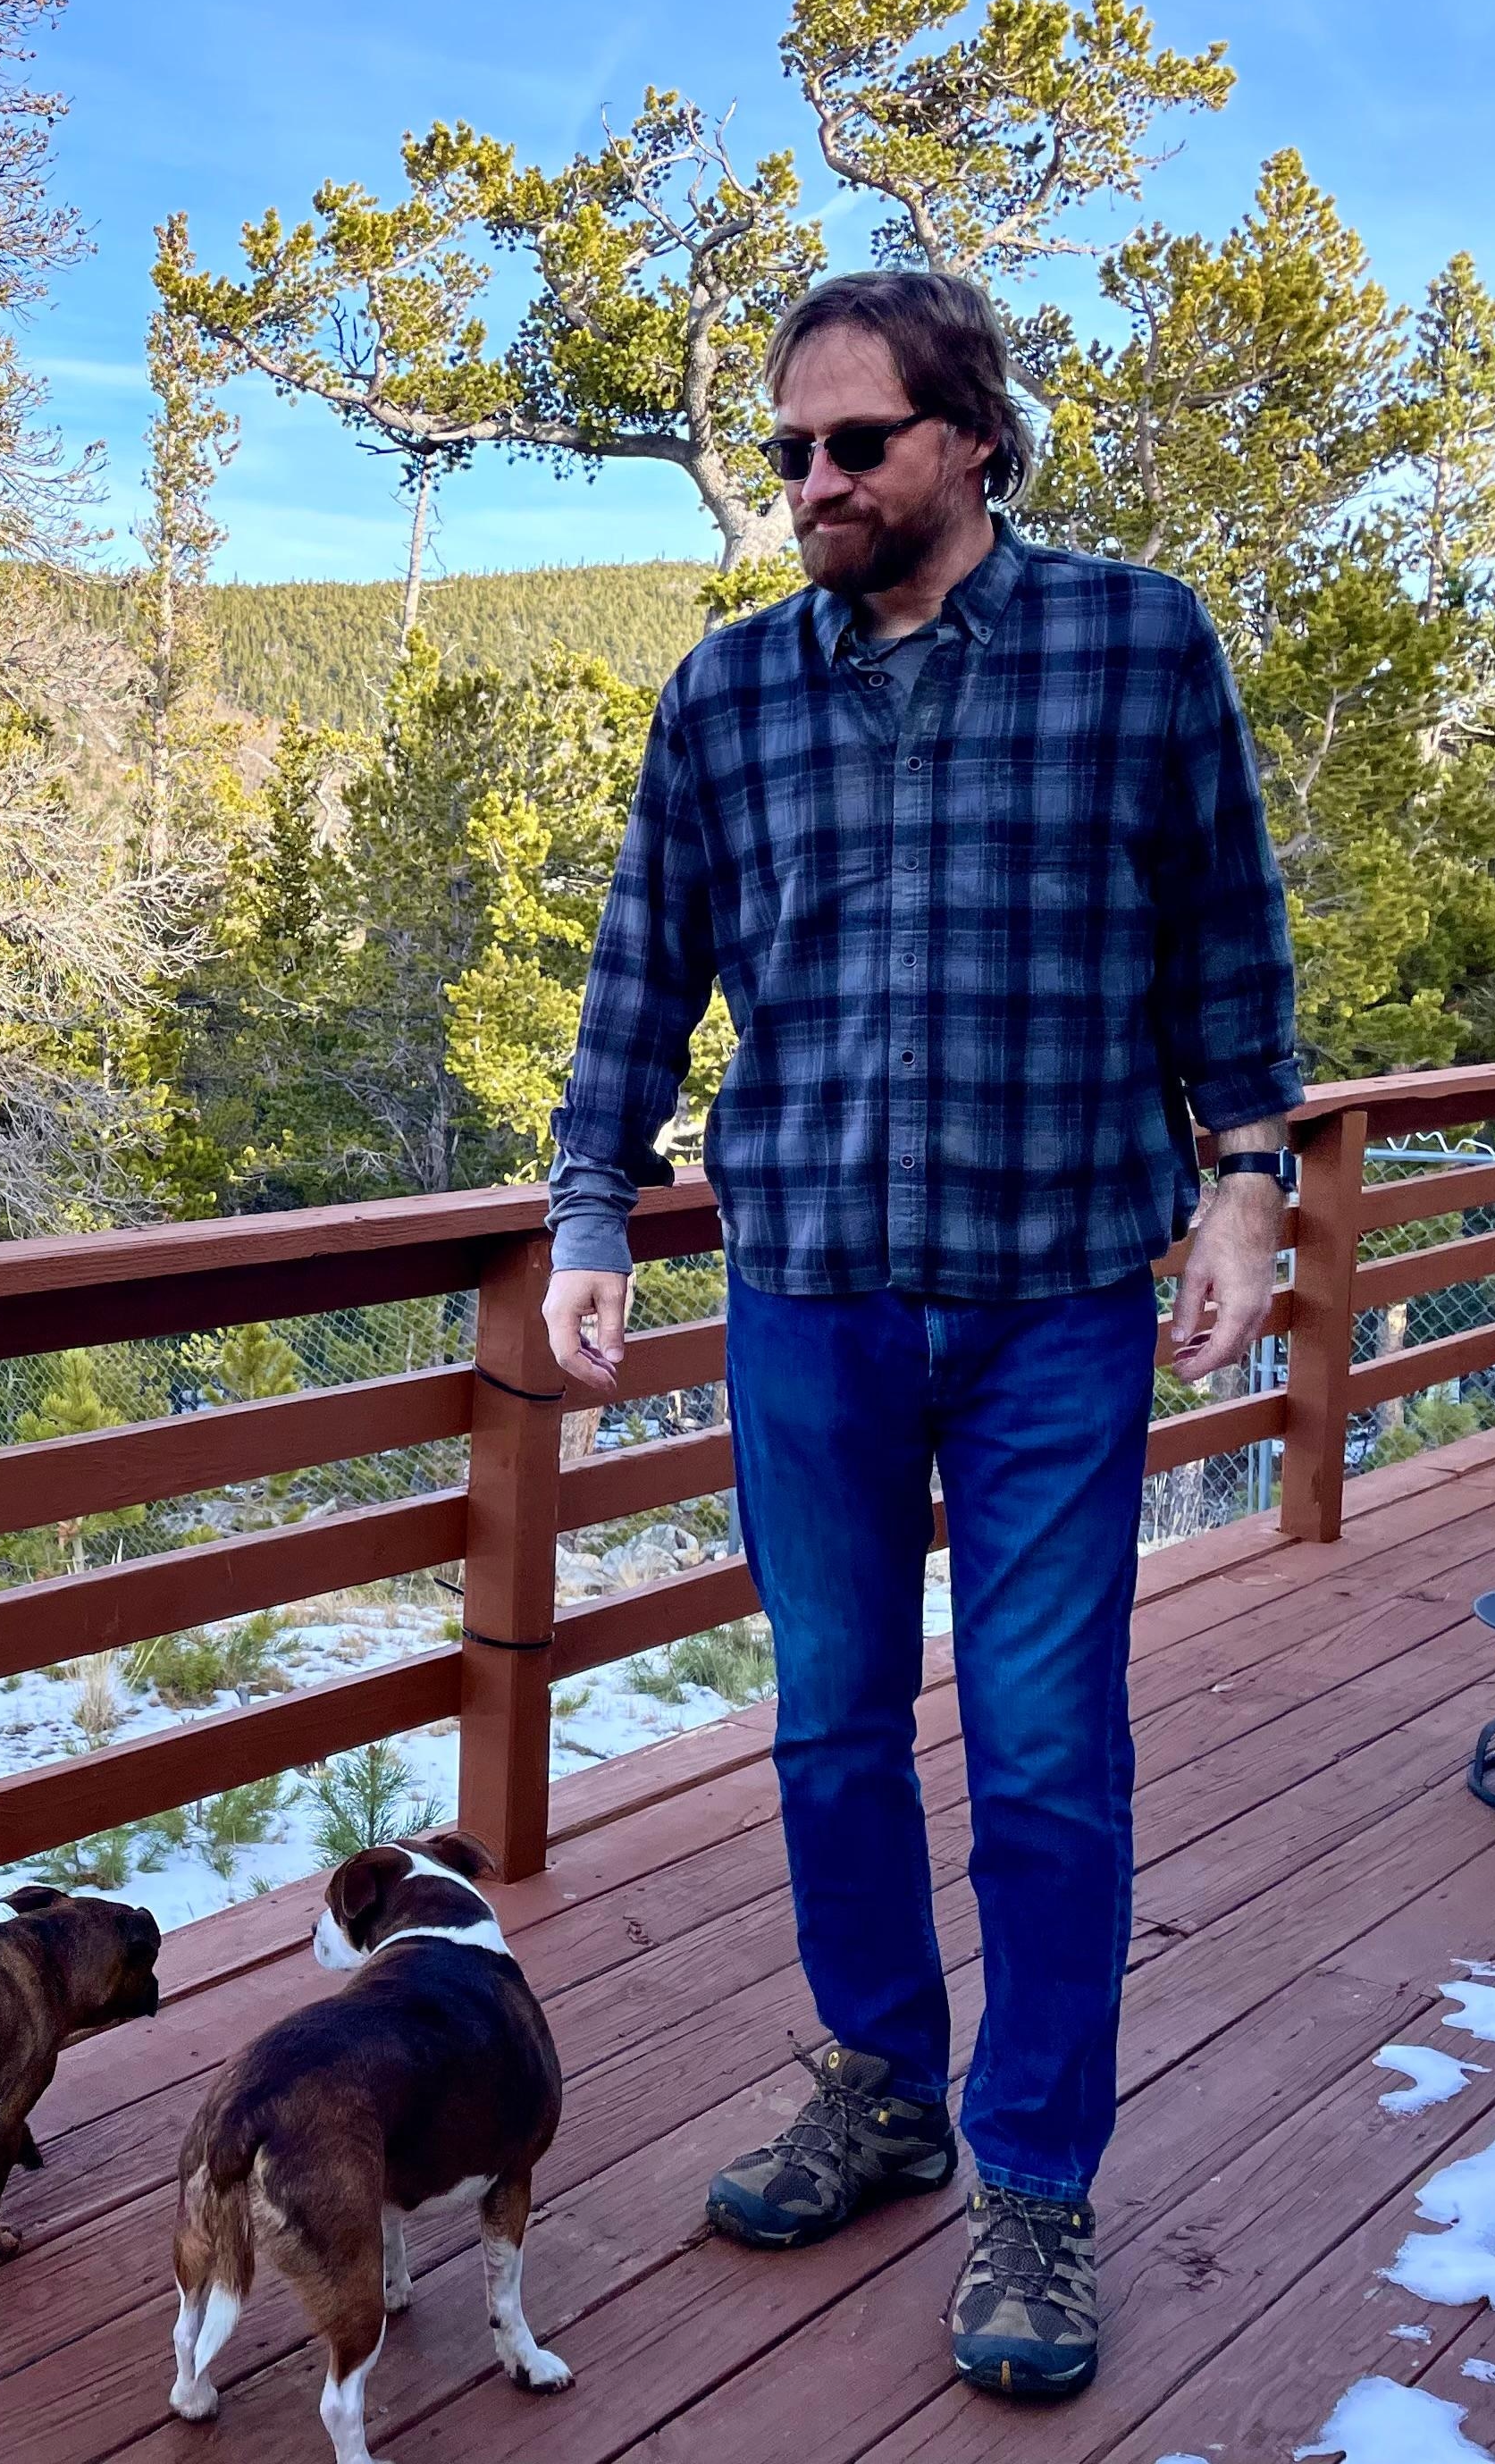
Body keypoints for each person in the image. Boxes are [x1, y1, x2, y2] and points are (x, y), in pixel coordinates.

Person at [539, 268, 1298, 2401]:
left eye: (853, 443)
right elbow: (638, 974)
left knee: (1049, 1750)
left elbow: (1227, 940)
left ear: (973, 438)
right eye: (789, 448)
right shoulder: (727, 695)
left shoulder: (1135, 645)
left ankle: (1033, 2178)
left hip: (1060, 1291)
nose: (809, 481)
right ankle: (882, 2090)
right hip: (809, 1294)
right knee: (829, 1726)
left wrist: (1250, 1174)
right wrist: (594, 1206)